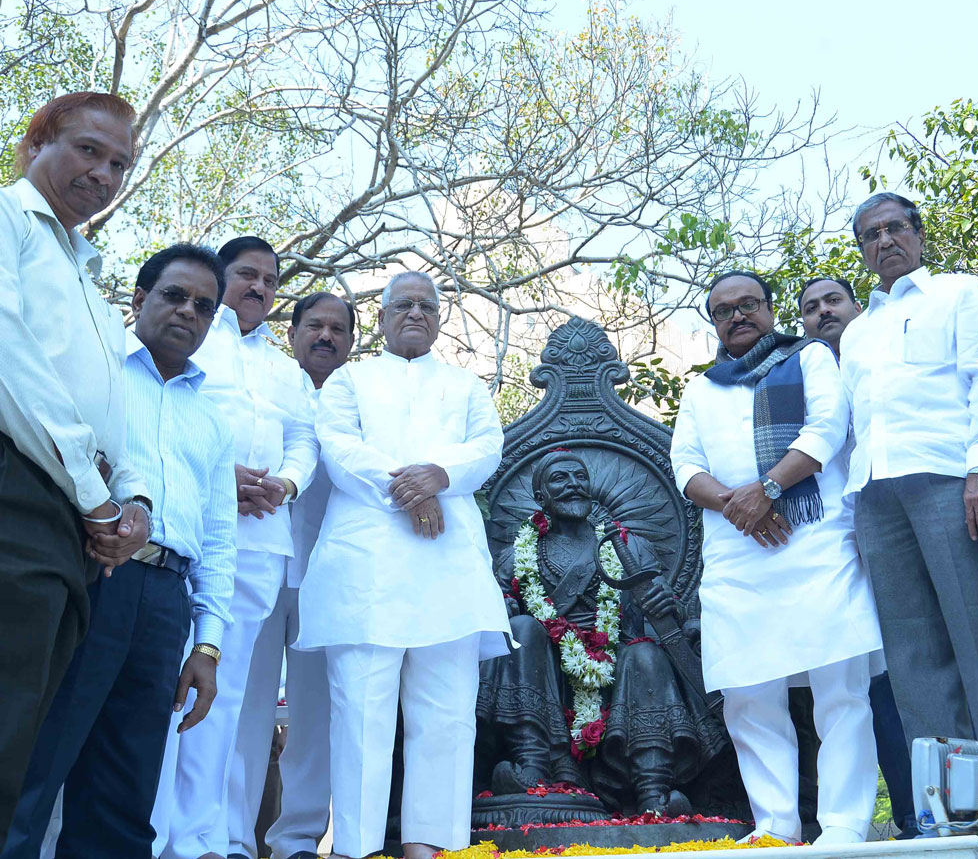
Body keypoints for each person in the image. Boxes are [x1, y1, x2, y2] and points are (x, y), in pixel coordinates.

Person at [1, 245, 239, 859]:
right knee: (36, 763)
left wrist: (206, 645)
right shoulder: (94, 375)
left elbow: (218, 540)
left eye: (204, 306)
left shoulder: (212, 421)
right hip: (90, 576)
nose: (188, 312)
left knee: (127, 788)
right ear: (138, 300)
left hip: (165, 605)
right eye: (174, 296)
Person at [838, 192, 978, 835]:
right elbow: (852, 426)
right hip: (877, 495)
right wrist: (852, 516)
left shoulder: (959, 293)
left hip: (947, 480)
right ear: (863, 249)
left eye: (895, 228)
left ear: (918, 233)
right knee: (912, 659)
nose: (885, 242)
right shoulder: (856, 329)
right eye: (871, 235)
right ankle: (956, 812)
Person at [295, 271, 512, 859]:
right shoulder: (350, 381)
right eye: (402, 305)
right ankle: (356, 848)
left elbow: (486, 447)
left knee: (446, 715)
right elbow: (338, 448)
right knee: (360, 714)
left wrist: (439, 476)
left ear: (439, 319)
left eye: (426, 305)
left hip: (448, 568)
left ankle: (430, 846)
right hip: (367, 568)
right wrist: (411, 490)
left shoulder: (467, 385)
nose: (415, 313)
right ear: (383, 317)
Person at [670, 270, 883, 846]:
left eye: (748, 304)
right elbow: (685, 466)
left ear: (769, 309)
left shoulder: (811, 358)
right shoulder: (701, 389)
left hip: (815, 543)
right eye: (723, 310)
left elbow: (827, 429)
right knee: (747, 694)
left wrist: (765, 489)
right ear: (712, 322)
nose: (737, 316)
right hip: (738, 558)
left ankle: (843, 825)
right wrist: (740, 506)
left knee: (840, 690)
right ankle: (775, 826)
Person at [0, 92, 152, 847]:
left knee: (20, 739)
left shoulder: (86, 273)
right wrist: (97, 500)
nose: (104, 172)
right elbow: (11, 361)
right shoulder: (6, 221)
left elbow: (110, 409)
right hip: (16, 496)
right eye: (88, 150)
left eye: (119, 162)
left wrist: (131, 503)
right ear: (34, 146)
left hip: (71, 528)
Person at [157, 236, 319, 859]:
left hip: (258, 543)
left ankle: (199, 840)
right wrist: (219, 479)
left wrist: (286, 481)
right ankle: (148, 833)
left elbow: (304, 439)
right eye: (247, 274)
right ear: (220, 277)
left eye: (270, 280)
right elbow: (168, 418)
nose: (259, 287)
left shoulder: (283, 366)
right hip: (186, 533)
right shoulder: (190, 337)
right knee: (166, 685)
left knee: (223, 699)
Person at [477, 448, 726, 814]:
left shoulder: (627, 547)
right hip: (545, 670)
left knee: (644, 654)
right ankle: (534, 765)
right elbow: (492, 606)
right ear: (540, 496)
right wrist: (505, 605)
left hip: (617, 665)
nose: (573, 485)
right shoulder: (519, 555)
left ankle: (652, 791)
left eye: (580, 477)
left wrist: (663, 603)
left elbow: (668, 612)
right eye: (560, 478)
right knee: (521, 629)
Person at [228, 292, 355, 859]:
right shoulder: (267, 384)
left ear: (351, 341)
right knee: (242, 706)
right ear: (293, 332)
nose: (325, 336)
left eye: (337, 329)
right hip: (256, 562)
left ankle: (298, 838)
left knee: (316, 713)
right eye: (314, 325)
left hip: (327, 576)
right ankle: (230, 837)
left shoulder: (360, 399)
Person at [797, 275, 916, 839]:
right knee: (866, 684)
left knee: (909, 670)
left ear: (856, 305)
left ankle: (929, 811)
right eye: (811, 308)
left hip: (898, 524)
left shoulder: (882, 360)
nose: (823, 313)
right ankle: (901, 817)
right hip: (832, 544)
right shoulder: (795, 376)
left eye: (833, 301)